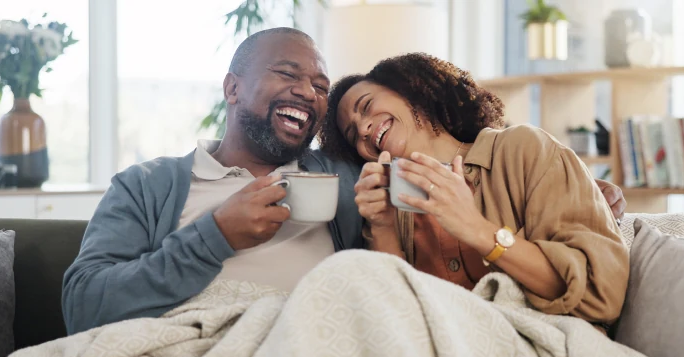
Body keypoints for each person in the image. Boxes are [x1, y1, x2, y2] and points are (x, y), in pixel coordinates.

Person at [62, 28, 627, 335]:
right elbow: (84, 306)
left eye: (320, 86)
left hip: (303, 342)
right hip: (181, 339)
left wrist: (590, 193)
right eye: (288, 74)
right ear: (232, 88)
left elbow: (393, 287)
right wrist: (214, 235)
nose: (309, 92)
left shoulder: (344, 177)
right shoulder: (146, 184)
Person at [321, 53, 628, 329]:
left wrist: (477, 230)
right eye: (353, 134)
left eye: (366, 106)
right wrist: (383, 226)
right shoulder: (391, 208)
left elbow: (601, 295)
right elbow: (391, 321)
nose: (362, 129)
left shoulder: (522, 149)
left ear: (410, 89)